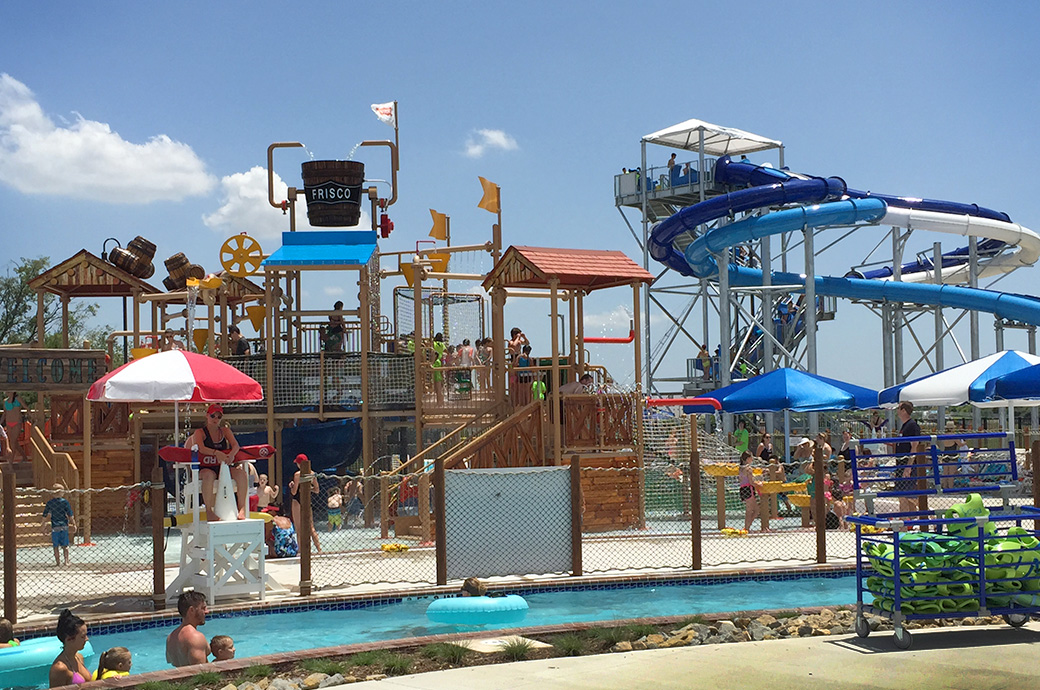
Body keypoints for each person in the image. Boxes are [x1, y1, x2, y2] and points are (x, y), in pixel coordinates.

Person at [186, 404, 247, 521]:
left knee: (241, 474)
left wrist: (231, 455)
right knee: (209, 475)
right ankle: (209, 511)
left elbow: (236, 446)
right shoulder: (200, 432)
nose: (215, 419)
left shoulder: (224, 431)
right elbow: (201, 447)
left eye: (218, 417)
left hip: (222, 467)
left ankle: (241, 508)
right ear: (207, 416)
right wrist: (216, 453)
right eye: (213, 416)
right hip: (204, 468)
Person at [892, 401, 922, 512]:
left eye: (899, 409)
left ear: (904, 410)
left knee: (909, 495)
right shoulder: (904, 426)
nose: (897, 411)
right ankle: (905, 521)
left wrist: (908, 467)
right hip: (900, 464)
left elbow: (914, 447)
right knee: (902, 495)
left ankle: (929, 513)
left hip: (907, 465)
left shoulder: (912, 426)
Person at [166, 591, 209, 668]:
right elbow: (200, 672)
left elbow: (170, 661)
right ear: (191, 610)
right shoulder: (196, 637)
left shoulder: (170, 637)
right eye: (203, 608)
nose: (207, 611)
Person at [49, 609, 90, 687]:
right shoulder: (59, 668)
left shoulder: (79, 657)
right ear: (69, 639)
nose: (87, 639)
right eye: (83, 636)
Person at [290, 454, 321, 552]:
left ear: (299, 464)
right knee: (311, 527)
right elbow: (317, 490)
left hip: (297, 500)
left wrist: (292, 485)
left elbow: (294, 492)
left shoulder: (297, 474)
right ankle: (319, 549)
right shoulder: (312, 474)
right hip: (307, 500)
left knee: (299, 528)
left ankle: (300, 551)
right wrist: (309, 488)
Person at [43, 484, 75, 566]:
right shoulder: (64, 502)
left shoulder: (50, 503)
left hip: (55, 526)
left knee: (55, 546)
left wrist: (43, 525)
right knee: (65, 545)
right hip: (64, 526)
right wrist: (74, 523)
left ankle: (58, 562)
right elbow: (70, 514)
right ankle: (66, 560)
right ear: (61, 493)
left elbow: (45, 515)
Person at [738, 451, 762, 532]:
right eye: (751, 457)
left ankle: (747, 527)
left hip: (742, 489)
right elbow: (751, 482)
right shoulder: (748, 468)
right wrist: (759, 484)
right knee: (753, 510)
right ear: (748, 459)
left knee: (752, 510)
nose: (752, 459)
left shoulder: (740, 468)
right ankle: (747, 528)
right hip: (748, 489)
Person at [3, 392, 29, 462]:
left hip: (17, 423)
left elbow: (26, 407)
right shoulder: (5, 401)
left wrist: (31, 415)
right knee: (14, 442)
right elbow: (4, 413)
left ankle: (10, 462)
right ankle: (24, 457)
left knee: (13, 442)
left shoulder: (18, 399)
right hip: (8, 423)